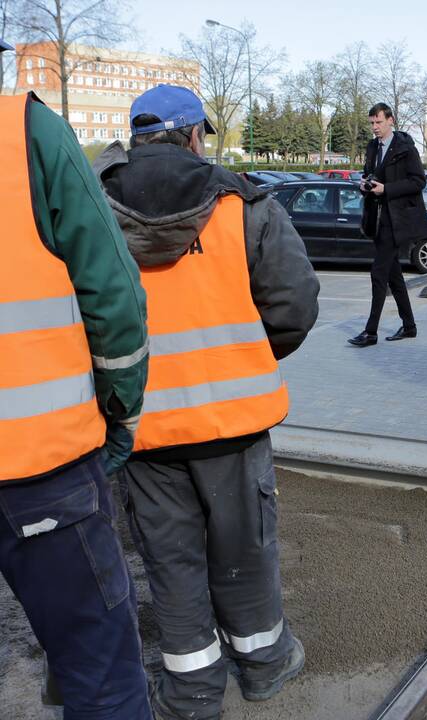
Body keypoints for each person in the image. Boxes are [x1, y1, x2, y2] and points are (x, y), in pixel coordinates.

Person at [93, 85, 319, 720]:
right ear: (195, 136)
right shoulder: (240, 200)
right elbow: (295, 305)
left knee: (170, 557)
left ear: (136, 139)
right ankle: (264, 665)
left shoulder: (93, 207)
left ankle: (192, 691)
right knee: (244, 546)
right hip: (233, 423)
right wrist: (242, 358)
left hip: (143, 426)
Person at [0, 39, 152, 718]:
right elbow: (111, 294)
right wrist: (119, 410)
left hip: (41, 461)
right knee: (98, 668)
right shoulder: (24, 130)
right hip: (40, 464)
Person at [348, 102, 427, 348]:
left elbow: (418, 182)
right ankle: (409, 326)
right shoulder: (373, 146)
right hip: (378, 218)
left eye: (379, 122)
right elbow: (370, 173)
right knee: (394, 276)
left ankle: (370, 331)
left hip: (398, 221)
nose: (375, 127)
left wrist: (387, 189)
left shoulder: (406, 148)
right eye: (372, 123)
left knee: (379, 273)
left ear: (391, 120)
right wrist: (365, 185)